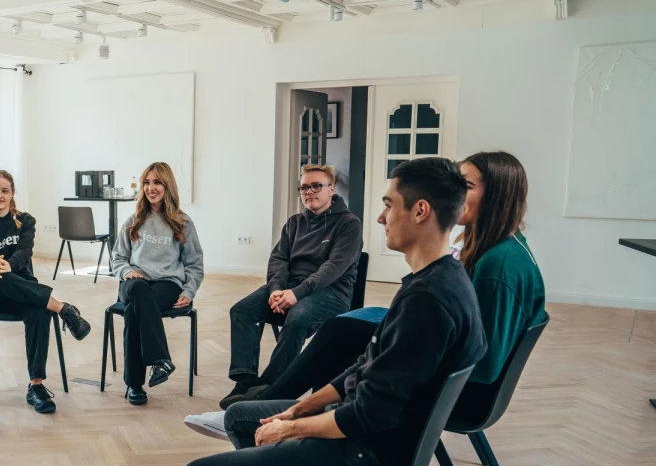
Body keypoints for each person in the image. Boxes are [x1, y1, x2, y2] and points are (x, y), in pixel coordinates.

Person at [176, 157, 486, 466]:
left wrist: (290, 430)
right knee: (244, 414)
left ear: (420, 211)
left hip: (368, 458)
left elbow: (369, 416)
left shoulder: (429, 301)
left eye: (388, 204)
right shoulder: (439, 279)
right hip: (374, 436)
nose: (380, 217)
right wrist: (302, 406)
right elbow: (367, 366)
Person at [185, 151, 544, 440]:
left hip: (459, 396)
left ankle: (268, 408)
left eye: (466, 184)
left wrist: (401, 351)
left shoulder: (499, 265)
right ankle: (267, 401)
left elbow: (482, 364)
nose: (456, 193)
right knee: (342, 331)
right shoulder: (494, 250)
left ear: (497, 195)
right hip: (446, 376)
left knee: (340, 332)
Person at [220, 164, 363, 409]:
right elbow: (278, 260)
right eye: (305, 187)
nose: (310, 192)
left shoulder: (349, 224)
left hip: (330, 293)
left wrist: (296, 294)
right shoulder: (295, 222)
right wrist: (276, 289)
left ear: (332, 189)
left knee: (297, 318)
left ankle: (271, 389)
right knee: (241, 310)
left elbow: (333, 269)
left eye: (317, 186)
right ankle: (245, 383)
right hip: (290, 288)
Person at [0, 170, 92, 414]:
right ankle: (63, 308)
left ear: (12, 194)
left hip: (20, 290)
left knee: (39, 312)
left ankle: (36, 386)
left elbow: (24, 253)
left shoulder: (25, 220)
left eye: (4, 190)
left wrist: (8, 265)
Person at [110, 161, 204, 406]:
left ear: (167, 186)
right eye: (147, 182)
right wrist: (127, 271)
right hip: (133, 283)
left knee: (134, 311)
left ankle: (134, 385)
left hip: (166, 284)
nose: (151, 187)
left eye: (157, 182)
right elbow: (117, 257)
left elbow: (194, 262)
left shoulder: (182, 222)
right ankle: (160, 359)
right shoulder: (133, 220)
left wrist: (189, 290)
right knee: (139, 290)